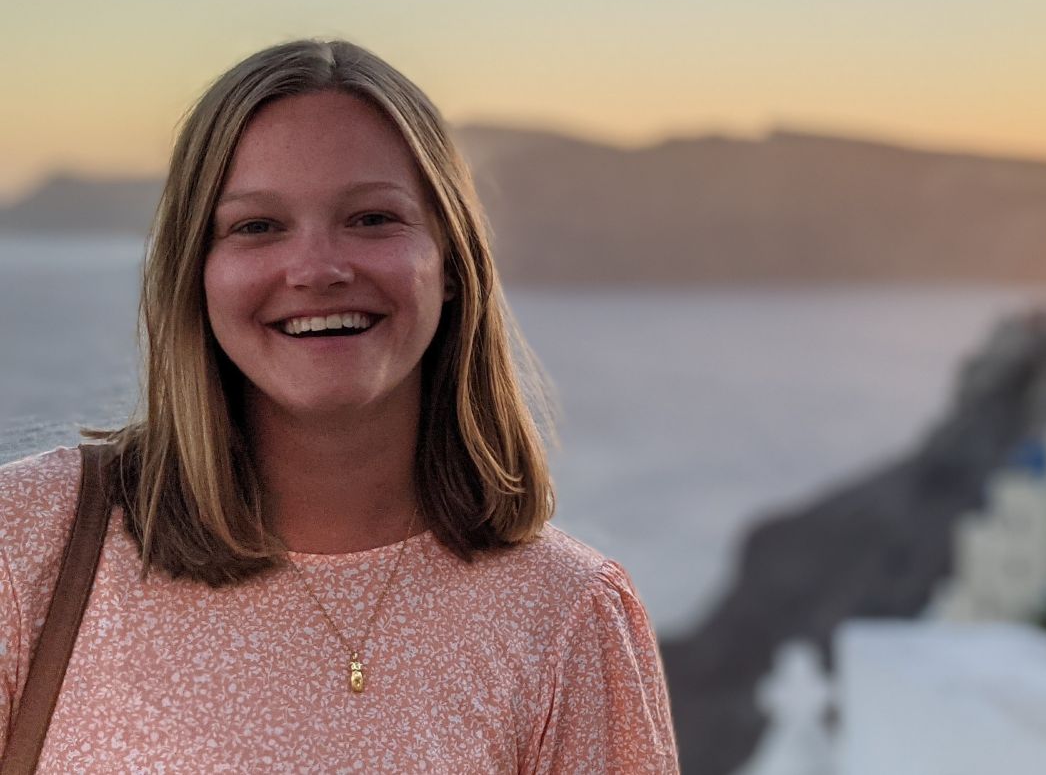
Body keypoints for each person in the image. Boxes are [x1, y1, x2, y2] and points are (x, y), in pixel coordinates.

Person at [0, 39, 679, 772]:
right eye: (257, 226)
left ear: (450, 263)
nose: (318, 269)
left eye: (371, 219)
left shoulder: (566, 616)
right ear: (195, 271)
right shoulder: (30, 541)